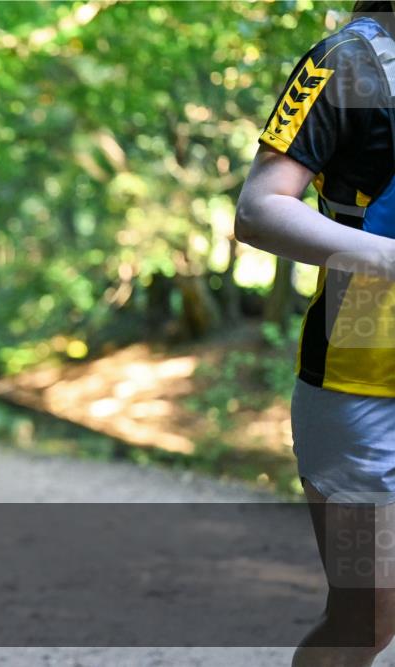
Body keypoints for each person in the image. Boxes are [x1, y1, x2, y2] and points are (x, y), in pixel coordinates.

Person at [236, 2, 395, 664]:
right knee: (369, 614)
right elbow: (260, 210)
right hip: (360, 380)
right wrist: (388, 258)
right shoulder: (346, 63)